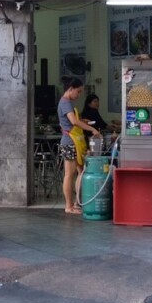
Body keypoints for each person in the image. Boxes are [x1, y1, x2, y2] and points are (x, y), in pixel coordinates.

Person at [58, 78, 100, 214]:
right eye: (78, 91)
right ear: (70, 89)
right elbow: (73, 122)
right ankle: (68, 206)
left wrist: (83, 121)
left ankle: (77, 202)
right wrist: (91, 129)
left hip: (74, 142)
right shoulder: (65, 103)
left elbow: (74, 121)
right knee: (69, 175)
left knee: (80, 172)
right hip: (69, 142)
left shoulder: (67, 103)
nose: (79, 94)